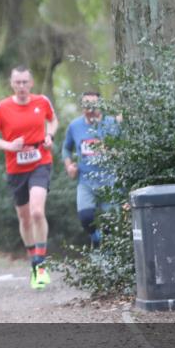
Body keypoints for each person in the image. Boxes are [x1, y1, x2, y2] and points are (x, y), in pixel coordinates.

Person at [0, 66, 59, 290]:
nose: (22, 87)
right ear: (11, 83)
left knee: (37, 211)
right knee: (25, 218)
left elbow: (53, 121)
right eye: (17, 82)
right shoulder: (2, 107)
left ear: (32, 82)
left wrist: (49, 135)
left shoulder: (42, 101)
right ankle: (33, 260)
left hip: (40, 162)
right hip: (15, 168)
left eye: (25, 82)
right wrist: (9, 145)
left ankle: (40, 263)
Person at [61, 91, 120, 247]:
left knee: (111, 223)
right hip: (86, 181)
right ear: (82, 107)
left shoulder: (112, 123)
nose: (90, 108)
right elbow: (66, 149)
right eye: (87, 104)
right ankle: (95, 238)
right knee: (86, 217)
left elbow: (123, 149)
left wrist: (113, 151)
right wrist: (69, 166)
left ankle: (108, 255)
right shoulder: (75, 126)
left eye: (94, 104)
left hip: (110, 181)